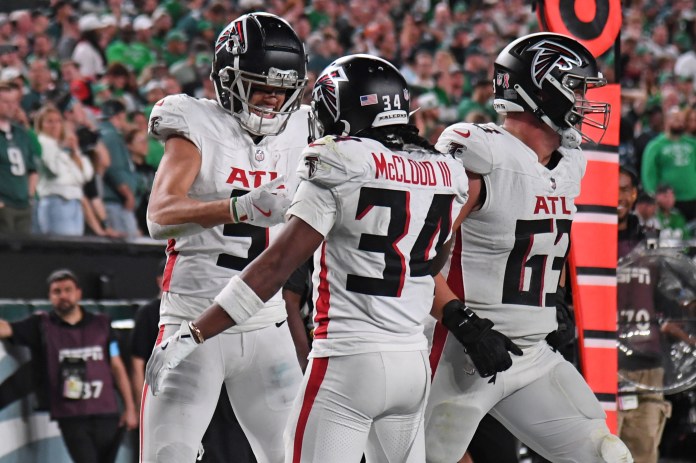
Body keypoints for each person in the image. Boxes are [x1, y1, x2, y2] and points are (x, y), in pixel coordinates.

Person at [145, 53, 491, 462]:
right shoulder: (445, 171)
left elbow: (274, 269)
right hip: (411, 361)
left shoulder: (335, 160)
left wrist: (194, 332)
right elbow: (430, 263)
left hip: (342, 359)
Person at [425, 32, 633, 462]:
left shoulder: (569, 163)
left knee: (605, 454)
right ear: (538, 88)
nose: (583, 100)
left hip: (531, 353)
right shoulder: (481, 154)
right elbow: (414, 256)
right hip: (457, 351)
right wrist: (462, 322)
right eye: (575, 86)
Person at [139, 13, 310, 463]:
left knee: (295, 456)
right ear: (229, 79)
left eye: (283, 88)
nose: (273, 98)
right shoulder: (196, 124)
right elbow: (159, 215)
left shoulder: (304, 127)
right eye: (261, 85)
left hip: (267, 324)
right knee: (166, 457)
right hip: (192, 323)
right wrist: (237, 206)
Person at [0, 269, 138, 463]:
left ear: (78, 293)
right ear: (50, 296)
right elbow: (7, 329)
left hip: (106, 412)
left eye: (67, 290)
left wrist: (130, 408)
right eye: (56, 291)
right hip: (72, 416)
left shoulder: (101, 324)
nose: (63, 295)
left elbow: (117, 367)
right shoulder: (41, 325)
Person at [34, 104, 94, 236]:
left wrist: (74, 150)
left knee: (74, 252)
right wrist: (64, 150)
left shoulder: (62, 146)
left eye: (58, 121)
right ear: (41, 124)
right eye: (49, 121)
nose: (54, 125)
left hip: (75, 202)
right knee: (62, 251)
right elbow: (56, 170)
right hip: (56, 200)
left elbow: (86, 175)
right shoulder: (41, 142)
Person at [0, 82, 39, 234]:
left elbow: (33, 169)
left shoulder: (22, 133)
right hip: (4, 205)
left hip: (22, 206)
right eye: (5, 102)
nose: (11, 106)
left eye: (14, 102)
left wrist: (29, 197)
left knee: (23, 255)